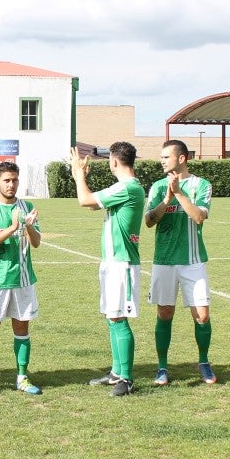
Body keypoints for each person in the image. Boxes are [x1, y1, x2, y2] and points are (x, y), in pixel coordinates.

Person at [71, 142, 144, 397]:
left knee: (117, 318)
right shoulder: (126, 187)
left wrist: (79, 176)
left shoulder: (127, 187)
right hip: (113, 262)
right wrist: (79, 178)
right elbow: (92, 204)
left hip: (121, 263)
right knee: (111, 317)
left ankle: (127, 378)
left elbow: (84, 200)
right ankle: (116, 371)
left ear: (114, 162)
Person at [144, 140, 216, 386]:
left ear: (182, 158)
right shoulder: (156, 187)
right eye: (161, 157)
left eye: (166, 157)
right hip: (164, 260)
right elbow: (149, 221)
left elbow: (198, 217)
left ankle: (204, 362)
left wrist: (179, 194)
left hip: (192, 260)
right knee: (165, 313)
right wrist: (166, 199)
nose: (162, 161)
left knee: (202, 316)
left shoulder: (201, 185)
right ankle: (162, 366)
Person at [0, 161, 42, 398]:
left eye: (14, 180)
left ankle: (22, 377)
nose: (11, 184)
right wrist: (14, 227)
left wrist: (29, 226)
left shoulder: (27, 206)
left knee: (22, 328)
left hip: (23, 279)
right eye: (6, 180)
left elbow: (36, 242)